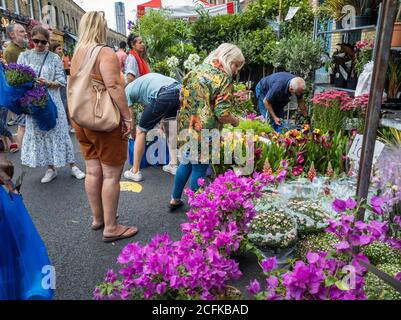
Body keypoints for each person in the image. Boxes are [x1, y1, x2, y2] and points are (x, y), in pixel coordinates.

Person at [70, 11, 138, 243]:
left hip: (81, 119)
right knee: (111, 175)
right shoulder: (104, 51)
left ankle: (98, 218)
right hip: (103, 121)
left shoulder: (78, 52)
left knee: (92, 170)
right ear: (101, 27)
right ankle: (111, 227)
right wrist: (127, 117)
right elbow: (114, 87)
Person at [169, 43, 244, 211]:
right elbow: (222, 113)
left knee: (186, 162)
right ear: (228, 59)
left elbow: (181, 98)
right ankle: (197, 209)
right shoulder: (223, 79)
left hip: (186, 127)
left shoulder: (194, 71)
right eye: (236, 65)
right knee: (200, 168)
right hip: (205, 131)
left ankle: (175, 198)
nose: (236, 70)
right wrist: (235, 121)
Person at [17, 26, 85, 183]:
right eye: (36, 41)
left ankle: (73, 166)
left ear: (47, 42)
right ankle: (51, 168)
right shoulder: (24, 57)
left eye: (43, 42)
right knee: (42, 134)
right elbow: (19, 81)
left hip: (53, 102)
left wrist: (47, 82)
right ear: (31, 39)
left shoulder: (54, 58)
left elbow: (61, 81)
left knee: (60, 133)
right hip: (33, 102)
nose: (39, 45)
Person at [124, 73, 181, 182]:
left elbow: (130, 120)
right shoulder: (142, 83)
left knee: (140, 130)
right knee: (170, 128)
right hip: (178, 90)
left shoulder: (126, 91)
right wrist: (161, 123)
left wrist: (133, 135)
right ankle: (173, 165)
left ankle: (135, 172)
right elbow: (154, 106)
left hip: (165, 93)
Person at [4, 24, 28, 142]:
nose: (25, 33)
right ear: (12, 35)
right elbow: (15, 76)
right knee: (23, 125)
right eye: (21, 32)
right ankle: (21, 150)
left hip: (27, 90)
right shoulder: (11, 51)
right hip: (21, 92)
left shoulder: (23, 47)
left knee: (25, 125)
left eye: (24, 31)